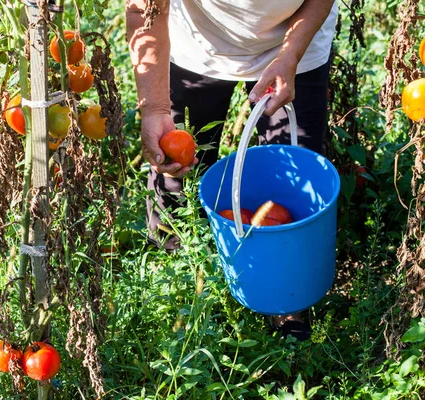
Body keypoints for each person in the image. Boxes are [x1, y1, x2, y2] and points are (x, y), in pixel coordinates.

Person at [126, 0, 338, 340]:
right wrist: (154, 108)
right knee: (177, 174)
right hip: (197, 42)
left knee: (290, 179)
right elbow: (143, 10)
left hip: (296, 40)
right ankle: (175, 285)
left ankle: (286, 298)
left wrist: (290, 55)